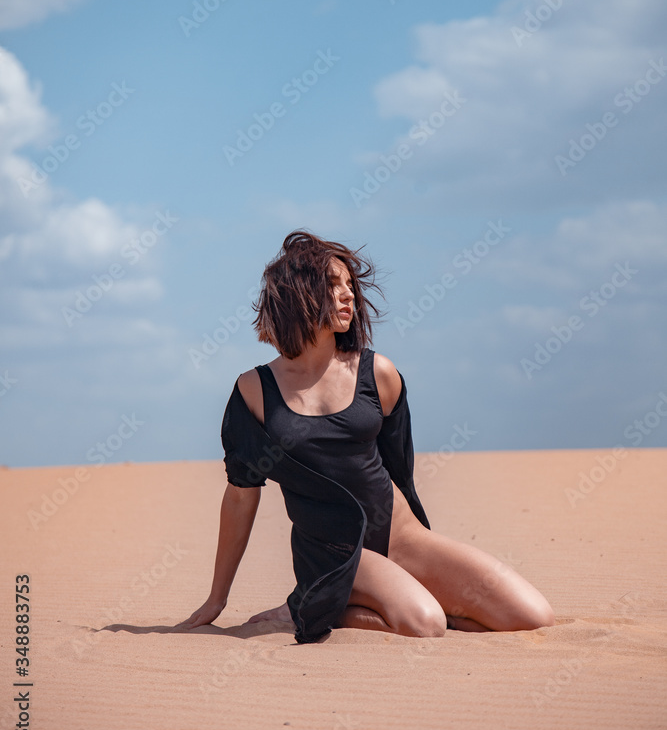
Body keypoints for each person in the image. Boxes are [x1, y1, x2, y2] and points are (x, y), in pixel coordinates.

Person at [179, 230, 555, 644]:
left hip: (402, 537)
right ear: (297, 294)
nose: (348, 296)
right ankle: (312, 602)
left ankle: (366, 598)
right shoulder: (254, 392)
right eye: (332, 285)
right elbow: (240, 495)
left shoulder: (379, 375)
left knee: (533, 615)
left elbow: (398, 468)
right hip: (333, 553)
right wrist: (218, 598)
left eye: (350, 287)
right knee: (425, 623)